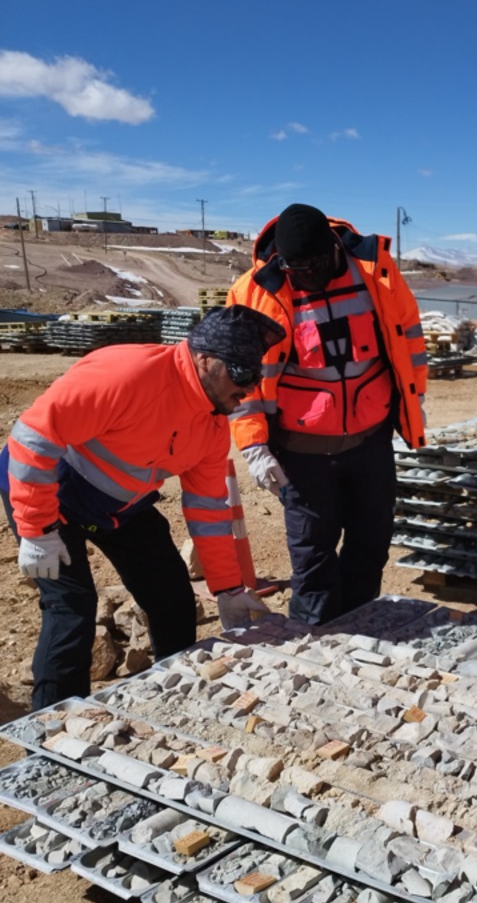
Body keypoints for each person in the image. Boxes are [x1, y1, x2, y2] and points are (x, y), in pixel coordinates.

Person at [1, 306, 282, 710]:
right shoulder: (129, 375)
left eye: (255, 377)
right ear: (205, 359)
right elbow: (33, 439)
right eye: (241, 374)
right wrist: (36, 530)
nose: (248, 389)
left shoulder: (212, 424)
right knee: (72, 609)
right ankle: (54, 724)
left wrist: (228, 589)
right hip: (50, 497)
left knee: (173, 599)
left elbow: (207, 510)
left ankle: (174, 696)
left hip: (120, 509)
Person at [226, 203, 427, 625]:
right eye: (294, 268)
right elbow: (242, 378)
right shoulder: (255, 291)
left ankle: (359, 627)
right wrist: (254, 446)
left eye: (313, 266)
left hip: (370, 442)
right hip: (301, 452)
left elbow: (409, 336)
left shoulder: (374, 272)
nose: (305, 276)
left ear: (333, 248)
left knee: (370, 544)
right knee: (312, 557)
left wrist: (416, 398)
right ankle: (313, 637)